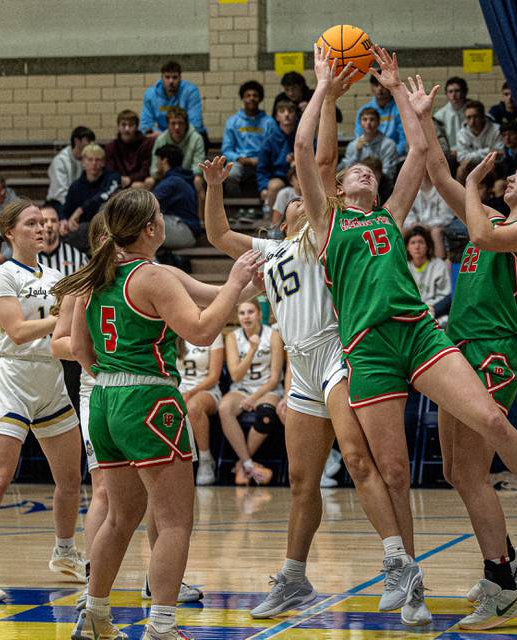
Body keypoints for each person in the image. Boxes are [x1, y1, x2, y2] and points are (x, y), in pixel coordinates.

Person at [296, 43, 517, 627]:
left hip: (424, 333)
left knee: (489, 429)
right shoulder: (329, 221)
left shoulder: (392, 217)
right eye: (355, 171)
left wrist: (401, 92)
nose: (363, 172)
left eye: (369, 169)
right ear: (340, 189)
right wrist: (324, 89)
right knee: (402, 472)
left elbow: (422, 155)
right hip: (370, 345)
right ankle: (413, 570)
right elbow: (311, 154)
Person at [203, 151, 436, 620]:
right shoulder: (270, 253)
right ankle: (294, 577)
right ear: (279, 218)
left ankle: (398, 562)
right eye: (288, 202)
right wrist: (213, 186)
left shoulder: (322, 230)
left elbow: (321, 166)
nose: (295, 201)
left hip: (339, 354)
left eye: (301, 199)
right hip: (304, 371)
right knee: (303, 483)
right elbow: (218, 235)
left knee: (356, 458)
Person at [52, 188, 262, 640]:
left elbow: (81, 350)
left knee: (118, 517)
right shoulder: (152, 276)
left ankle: (94, 616)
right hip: (149, 401)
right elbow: (204, 331)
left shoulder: (94, 276)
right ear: (150, 228)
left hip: (104, 401)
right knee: (174, 522)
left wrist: (241, 284)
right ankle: (162, 627)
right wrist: (232, 284)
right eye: (161, 215)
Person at [417, 74, 517, 626]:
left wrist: (474, 182)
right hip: (454, 348)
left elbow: (482, 237)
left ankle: (515, 562)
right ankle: (506, 561)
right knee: (459, 474)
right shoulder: (494, 216)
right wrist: (414, 110)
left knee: (474, 469)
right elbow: (437, 174)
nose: (511, 177)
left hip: (492, 352)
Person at [0, 199, 83, 603]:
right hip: (12, 378)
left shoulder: (58, 274)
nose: (42, 228)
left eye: (43, 223)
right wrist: (63, 315)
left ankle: (64, 553)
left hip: (51, 379)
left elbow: (64, 334)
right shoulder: (3, 275)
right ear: (11, 233)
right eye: (31, 223)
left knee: (71, 480)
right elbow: (18, 330)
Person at [218, 299, 283, 485]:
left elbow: (275, 377)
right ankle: (248, 463)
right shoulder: (232, 337)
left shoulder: (273, 336)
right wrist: (253, 349)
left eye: (250, 312)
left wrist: (255, 398)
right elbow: (236, 376)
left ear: (259, 314)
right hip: (242, 388)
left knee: (266, 414)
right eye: (242, 313)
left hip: (267, 389)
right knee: (224, 408)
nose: (246, 316)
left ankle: (242, 465)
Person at [176, 333, 224, 486]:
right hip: (178, 389)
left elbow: (214, 377)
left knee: (193, 408)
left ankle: (205, 460)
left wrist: (190, 393)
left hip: (206, 390)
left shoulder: (214, 335)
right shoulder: (175, 331)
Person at [61, 144, 121, 251]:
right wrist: (65, 221)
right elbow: (66, 210)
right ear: (83, 162)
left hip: (106, 228)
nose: (94, 163)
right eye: (90, 160)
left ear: (103, 162)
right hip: (82, 231)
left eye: (98, 160)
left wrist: (81, 210)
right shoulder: (76, 186)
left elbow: (103, 196)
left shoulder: (113, 178)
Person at [222, 80, 276, 197]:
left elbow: (273, 147)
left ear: (260, 99)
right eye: (248, 95)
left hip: (262, 161)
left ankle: (265, 208)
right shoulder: (233, 122)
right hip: (239, 161)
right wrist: (241, 159)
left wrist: (261, 158)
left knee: (274, 176)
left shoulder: (269, 122)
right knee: (230, 175)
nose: (251, 98)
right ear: (242, 98)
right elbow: (226, 150)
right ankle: (236, 208)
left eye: (255, 95)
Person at [147, 107, 206, 211]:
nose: (177, 127)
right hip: (165, 175)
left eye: (180, 123)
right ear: (168, 125)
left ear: (186, 124)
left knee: (198, 181)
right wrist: (161, 174)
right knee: (149, 181)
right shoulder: (161, 139)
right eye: (173, 123)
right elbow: (154, 167)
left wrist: (179, 175)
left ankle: (202, 221)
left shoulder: (196, 138)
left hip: (188, 176)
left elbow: (199, 166)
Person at [152, 144, 200, 250]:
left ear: (164, 161)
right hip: (187, 230)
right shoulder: (181, 178)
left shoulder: (172, 182)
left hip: (184, 230)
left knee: (141, 221)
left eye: (158, 160)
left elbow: (147, 205)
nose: (156, 164)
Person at [141, 60, 205, 137]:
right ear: (161, 78)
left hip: (186, 134)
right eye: (167, 77)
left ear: (180, 78)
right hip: (161, 135)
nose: (171, 81)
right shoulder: (150, 94)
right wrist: (163, 135)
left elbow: (195, 124)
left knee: (200, 136)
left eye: (175, 77)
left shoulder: (190, 92)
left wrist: (175, 136)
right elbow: (145, 126)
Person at [404, 226, 452, 326]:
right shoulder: (403, 267)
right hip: (410, 311)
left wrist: (433, 308)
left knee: (445, 321)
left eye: (421, 242)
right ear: (407, 247)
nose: (417, 247)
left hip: (434, 311)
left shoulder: (439, 266)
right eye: (413, 243)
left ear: (427, 246)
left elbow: (447, 297)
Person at [257, 99, 297, 214]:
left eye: (290, 111)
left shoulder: (303, 137)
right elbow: (262, 169)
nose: (287, 114)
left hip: (300, 177)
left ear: (295, 115)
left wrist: (297, 163)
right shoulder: (269, 141)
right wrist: (263, 188)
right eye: (282, 111)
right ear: (277, 117)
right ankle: (273, 227)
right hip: (279, 177)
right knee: (274, 186)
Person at [340, 107, 398, 182]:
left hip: (381, 185)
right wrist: (357, 153)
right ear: (360, 123)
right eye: (365, 119)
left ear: (378, 122)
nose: (368, 123)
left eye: (372, 119)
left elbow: (388, 173)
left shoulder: (388, 145)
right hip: (356, 184)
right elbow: (346, 171)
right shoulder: (353, 145)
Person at [404, 174, 456, 259]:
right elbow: (406, 213)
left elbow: (446, 216)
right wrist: (413, 224)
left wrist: (428, 226)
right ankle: (402, 264)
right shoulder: (411, 190)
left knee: (436, 233)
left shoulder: (442, 189)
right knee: (402, 231)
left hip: (437, 226)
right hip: (416, 225)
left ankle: (439, 265)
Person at [354, 74, 407, 156]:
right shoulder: (364, 110)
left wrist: (392, 155)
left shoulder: (400, 109)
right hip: (368, 156)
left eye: (383, 85)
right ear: (372, 88)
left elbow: (404, 139)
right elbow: (359, 136)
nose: (380, 89)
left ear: (390, 87)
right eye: (376, 85)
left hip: (394, 155)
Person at [47, 126, 96, 209]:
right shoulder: (60, 161)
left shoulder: (87, 159)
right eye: (88, 141)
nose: (92, 145)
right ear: (77, 141)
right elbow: (60, 193)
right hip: (58, 205)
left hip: (79, 205)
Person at [104, 110, 154, 189]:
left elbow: (146, 170)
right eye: (123, 125)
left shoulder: (147, 144)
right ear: (118, 127)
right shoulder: (111, 147)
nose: (127, 129)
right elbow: (109, 170)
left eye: (131, 125)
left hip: (139, 182)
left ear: (137, 127)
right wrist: (120, 179)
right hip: (118, 182)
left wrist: (130, 179)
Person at [273, 71, 342, 123]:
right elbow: (274, 120)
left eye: (294, 88)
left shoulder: (315, 95)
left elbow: (338, 117)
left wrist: (313, 109)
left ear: (301, 86)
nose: (290, 93)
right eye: (287, 90)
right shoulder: (281, 98)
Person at [38, 204, 87, 276]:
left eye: (53, 221)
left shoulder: (78, 258)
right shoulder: (27, 257)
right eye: (44, 221)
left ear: (59, 224)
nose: (49, 225)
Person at [456, 100, 504, 174]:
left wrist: (470, 157)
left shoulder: (496, 129)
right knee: (461, 170)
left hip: (492, 165)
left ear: (482, 117)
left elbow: (500, 153)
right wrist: (488, 151)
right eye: (469, 117)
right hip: (471, 165)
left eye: (475, 117)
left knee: (492, 167)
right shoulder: (461, 134)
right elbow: (461, 158)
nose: (472, 121)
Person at [433, 76, 468, 152]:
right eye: (450, 91)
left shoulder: (473, 111)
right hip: (449, 153)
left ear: (464, 92)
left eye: (457, 91)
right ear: (446, 94)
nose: (454, 95)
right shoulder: (439, 116)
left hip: (470, 152)